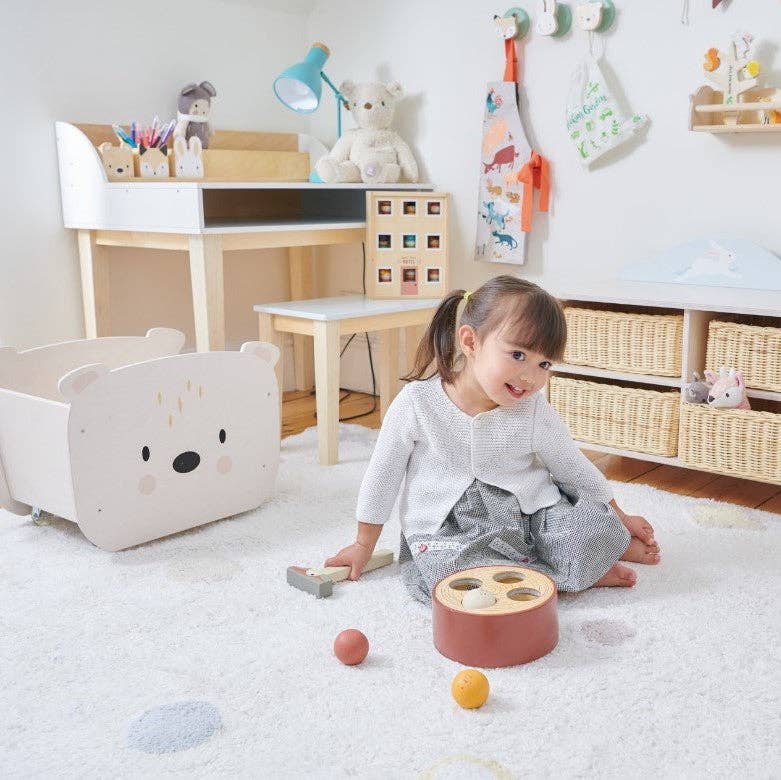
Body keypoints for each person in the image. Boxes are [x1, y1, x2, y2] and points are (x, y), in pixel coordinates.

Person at [325, 276, 660, 603]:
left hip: (530, 518)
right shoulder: (417, 403)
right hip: (452, 528)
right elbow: (382, 478)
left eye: (544, 364)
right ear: (470, 342)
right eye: (517, 355)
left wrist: (621, 518)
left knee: (590, 525)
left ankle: (585, 564)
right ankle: (567, 576)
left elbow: (574, 468)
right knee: (450, 573)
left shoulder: (532, 410)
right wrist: (363, 546)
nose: (530, 376)